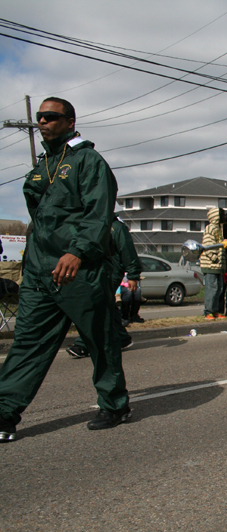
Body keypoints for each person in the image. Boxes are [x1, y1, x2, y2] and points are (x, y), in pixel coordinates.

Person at [0, 97, 130, 443]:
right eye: (40, 117)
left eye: (51, 116)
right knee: (28, 344)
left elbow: (98, 214)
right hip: (40, 272)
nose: (43, 121)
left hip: (79, 271)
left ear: (70, 121)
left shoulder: (89, 161)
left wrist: (78, 251)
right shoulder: (42, 164)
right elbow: (40, 215)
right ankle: (4, 413)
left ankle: (114, 404)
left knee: (99, 340)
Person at [66, 216, 141, 358]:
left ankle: (84, 344)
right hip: (94, 271)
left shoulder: (116, 227)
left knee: (94, 305)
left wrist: (133, 274)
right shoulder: (88, 223)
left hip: (110, 271)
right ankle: (122, 338)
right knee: (107, 306)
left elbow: (127, 250)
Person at [201, 207, 225, 320]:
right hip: (210, 264)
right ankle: (208, 311)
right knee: (212, 288)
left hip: (217, 265)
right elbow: (207, 245)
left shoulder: (219, 229)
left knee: (218, 287)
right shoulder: (210, 228)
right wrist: (214, 257)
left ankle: (215, 310)